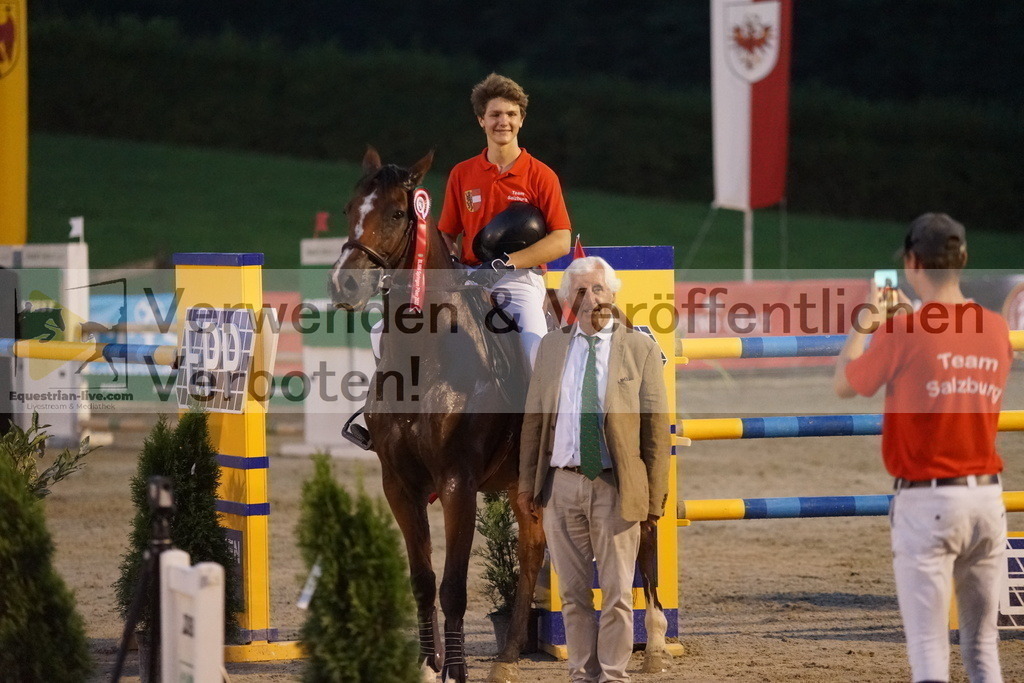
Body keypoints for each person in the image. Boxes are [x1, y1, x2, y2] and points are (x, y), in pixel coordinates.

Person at [833, 213, 1012, 683]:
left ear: (912, 263)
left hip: (928, 501)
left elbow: (845, 383)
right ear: (964, 259)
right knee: (982, 651)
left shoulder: (902, 332)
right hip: (988, 500)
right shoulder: (995, 330)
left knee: (930, 653)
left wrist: (866, 322)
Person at [518, 257, 670, 683]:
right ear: (568, 300)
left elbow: (656, 430)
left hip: (615, 487)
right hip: (560, 486)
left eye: (598, 290)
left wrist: (654, 499)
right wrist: (528, 488)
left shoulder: (639, 349)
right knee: (572, 595)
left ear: (613, 293)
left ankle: (614, 676)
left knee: (619, 595)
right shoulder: (549, 348)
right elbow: (534, 421)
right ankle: (581, 675)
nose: (591, 300)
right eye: (581, 292)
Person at [438, 72, 572, 366]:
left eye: (511, 114)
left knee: (536, 352)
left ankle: (540, 412)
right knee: (398, 331)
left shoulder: (541, 175)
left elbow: (561, 239)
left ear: (522, 120)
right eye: (495, 114)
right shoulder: (462, 173)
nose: (503, 121)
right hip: (468, 278)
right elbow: (445, 234)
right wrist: (452, 268)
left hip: (519, 281)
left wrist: (504, 263)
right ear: (481, 120)